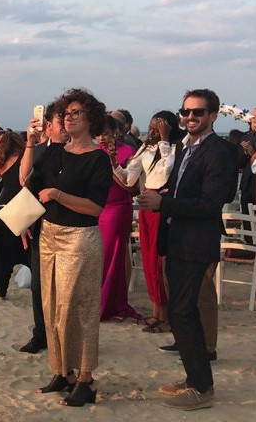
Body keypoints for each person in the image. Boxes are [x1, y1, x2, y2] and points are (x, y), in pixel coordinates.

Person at [138, 89, 235, 410]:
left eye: (198, 112)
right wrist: (166, 193)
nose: (190, 117)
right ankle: (195, 378)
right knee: (182, 313)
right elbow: (184, 188)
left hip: (197, 242)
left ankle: (202, 387)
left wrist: (165, 202)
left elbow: (211, 203)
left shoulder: (218, 152)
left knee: (182, 311)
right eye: (186, 111)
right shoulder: (184, 146)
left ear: (213, 115)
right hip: (177, 237)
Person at [21, 88, 112, 407]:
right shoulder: (55, 151)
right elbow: (25, 179)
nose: (68, 118)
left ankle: (86, 379)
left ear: (91, 119)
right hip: (49, 235)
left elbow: (95, 208)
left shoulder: (99, 158)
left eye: (76, 113)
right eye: (65, 113)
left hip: (79, 238)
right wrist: (30, 144)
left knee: (79, 309)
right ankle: (63, 372)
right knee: (51, 306)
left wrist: (59, 195)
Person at [113, 111, 180, 332]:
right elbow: (129, 179)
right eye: (151, 128)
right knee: (149, 259)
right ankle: (155, 312)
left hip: (164, 204)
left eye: (158, 128)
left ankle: (166, 315)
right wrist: (113, 161)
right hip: (145, 204)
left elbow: (167, 170)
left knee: (160, 260)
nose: (152, 132)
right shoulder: (146, 148)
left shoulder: (175, 148)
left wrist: (164, 139)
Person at [18, 103, 68, 354]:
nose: (68, 125)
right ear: (49, 125)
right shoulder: (38, 150)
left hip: (69, 226)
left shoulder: (78, 151)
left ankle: (62, 336)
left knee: (64, 288)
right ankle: (41, 334)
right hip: (40, 223)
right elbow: (23, 180)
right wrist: (29, 142)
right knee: (38, 285)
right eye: (63, 121)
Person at [97, 115, 141, 321]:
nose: (102, 138)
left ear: (115, 132)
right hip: (96, 207)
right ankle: (104, 300)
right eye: (98, 133)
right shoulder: (93, 152)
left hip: (116, 208)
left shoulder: (127, 151)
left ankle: (107, 304)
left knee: (112, 255)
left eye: (105, 133)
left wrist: (112, 161)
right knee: (98, 255)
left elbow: (129, 185)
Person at [0, 130, 28, 299]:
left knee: (2, 256)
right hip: (21, 208)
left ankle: (1, 289)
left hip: (4, 208)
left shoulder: (1, 161)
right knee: (28, 251)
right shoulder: (23, 159)